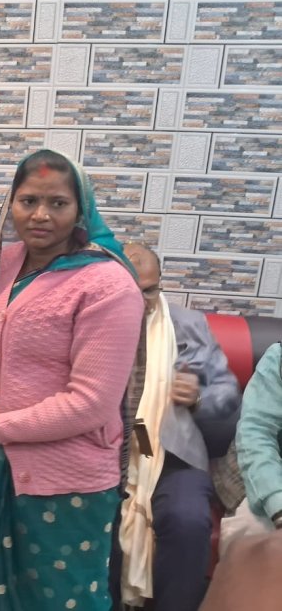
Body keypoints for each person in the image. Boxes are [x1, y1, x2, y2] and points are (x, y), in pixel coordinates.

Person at [0, 149, 144, 611]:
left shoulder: (108, 285)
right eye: (28, 201)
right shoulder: (6, 263)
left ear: (80, 208)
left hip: (68, 480)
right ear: (12, 204)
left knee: (61, 600)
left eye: (57, 203)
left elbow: (91, 404)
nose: (41, 215)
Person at [113, 243, 241, 611]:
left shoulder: (188, 324)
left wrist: (197, 398)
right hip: (107, 453)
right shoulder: (93, 321)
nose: (142, 301)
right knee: (98, 516)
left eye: (150, 290)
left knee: (187, 520)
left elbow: (227, 393)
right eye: (131, 291)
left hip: (174, 455)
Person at [232, 342, 282, 538]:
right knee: (254, 537)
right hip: (266, 474)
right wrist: (277, 504)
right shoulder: (278, 358)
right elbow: (257, 432)